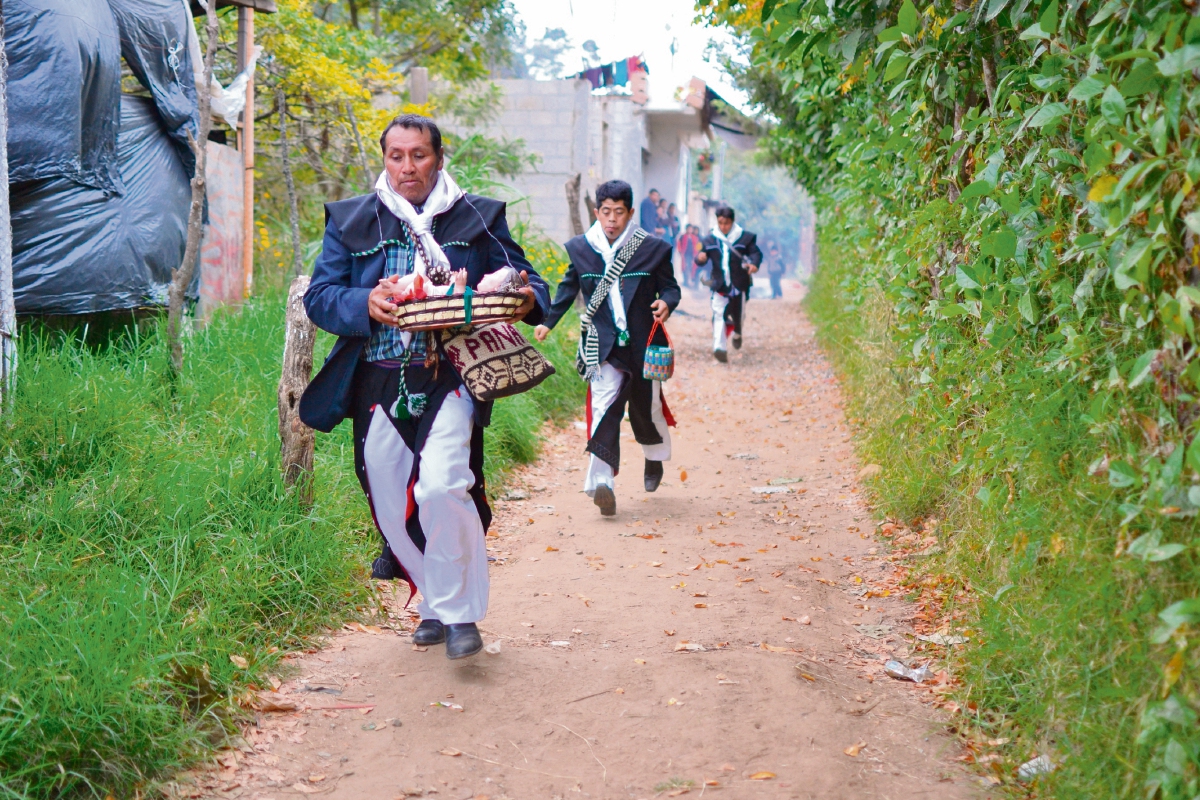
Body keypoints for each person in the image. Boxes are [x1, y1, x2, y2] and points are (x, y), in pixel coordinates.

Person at [299, 114, 550, 660]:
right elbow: (319, 296)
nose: (408, 167)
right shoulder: (351, 219)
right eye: (397, 156)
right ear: (384, 159)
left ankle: (459, 615)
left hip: (449, 375)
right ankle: (433, 599)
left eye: (419, 155)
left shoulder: (478, 216)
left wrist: (529, 298)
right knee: (391, 503)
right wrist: (364, 302)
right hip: (377, 380)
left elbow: (527, 280)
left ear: (438, 158)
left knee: (442, 486)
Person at [535, 180, 681, 517]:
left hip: (643, 344)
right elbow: (567, 289)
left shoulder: (653, 248)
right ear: (596, 212)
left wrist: (666, 303)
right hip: (602, 345)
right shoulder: (581, 249)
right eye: (606, 212)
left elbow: (670, 288)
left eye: (619, 212)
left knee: (647, 407)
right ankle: (603, 484)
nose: (612, 219)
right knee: (603, 408)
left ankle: (654, 458)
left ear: (630, 213)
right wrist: (548, 321)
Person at [695, 205, 762, 362]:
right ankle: (720, 348)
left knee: (739, 315)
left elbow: (755, 253)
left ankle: (737, 332)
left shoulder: (745, 238)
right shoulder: (710, 239)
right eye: (720, 223)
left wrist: (754, 264)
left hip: (740, 285)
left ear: (732, 221)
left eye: (726, 223)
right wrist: (700, 258)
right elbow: (700, 258)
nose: (723, 226)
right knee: (718, 314)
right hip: (720, 285)